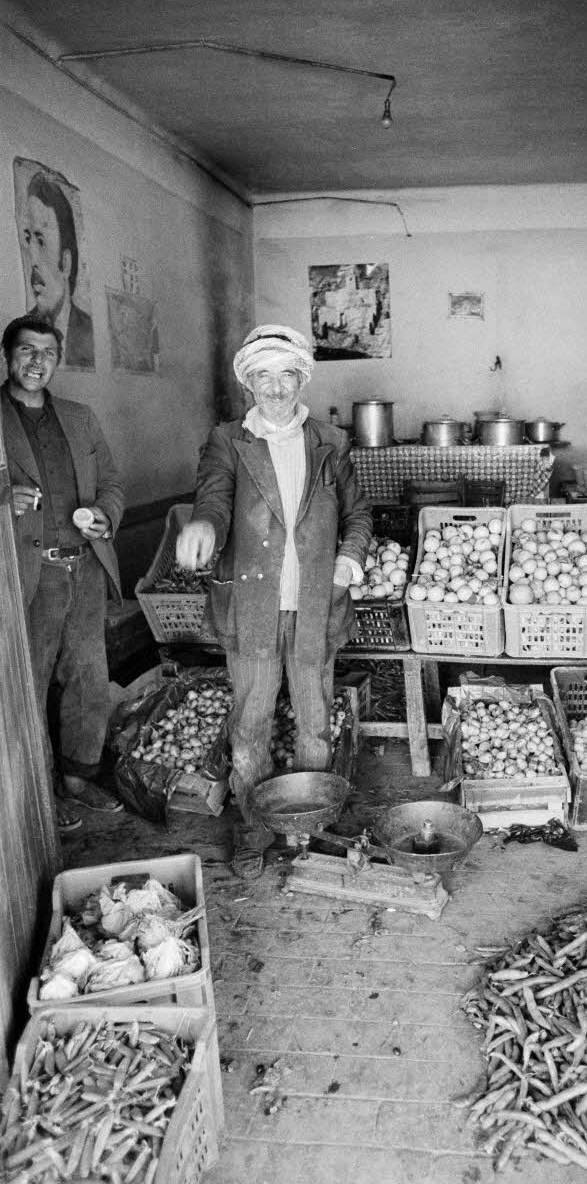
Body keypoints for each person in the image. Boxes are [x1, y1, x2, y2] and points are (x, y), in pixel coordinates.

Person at [176, 324, 371, 879]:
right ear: (248, 382)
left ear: (302, 379)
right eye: (263, 375)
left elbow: (358, 514)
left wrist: (348, 558)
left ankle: (309, 825)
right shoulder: (227, 440)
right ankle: (253, 827)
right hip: (254, 606)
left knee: (314, 722)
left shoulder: (329, 441)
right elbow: (214, 501)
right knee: (251, 724)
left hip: (314, 604)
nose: (276, 387)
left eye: (287, 374)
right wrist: (204, 529)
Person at [1, 313, 125, 831]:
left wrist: (106, 516)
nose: (37, 362)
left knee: (90, 680)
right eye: (27, 351)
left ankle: (77, 777)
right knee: (25, 684)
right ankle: (36, 791)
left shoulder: (79, 417)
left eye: (47, 353)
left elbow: (114, 484)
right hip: (26, 577)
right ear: (8, 357)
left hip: (85, 568)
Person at [20, 172, 95, 371]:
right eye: (28, 240)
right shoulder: (22, 333)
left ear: (66, 262)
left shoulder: (86, 329)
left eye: (41, 241)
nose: (32, 259)